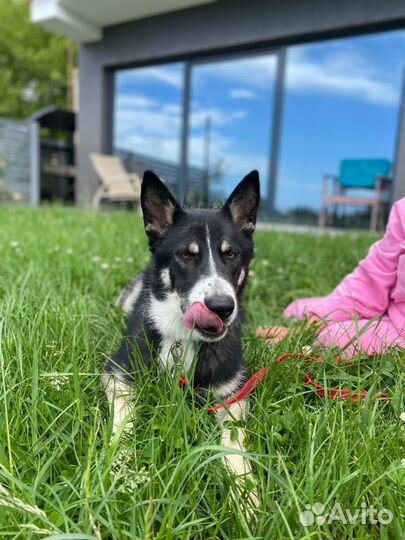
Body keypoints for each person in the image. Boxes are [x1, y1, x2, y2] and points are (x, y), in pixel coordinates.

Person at [260, 198, 405, 358]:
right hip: (396, 309)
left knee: (331, 340)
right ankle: (326, 316)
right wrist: (312, 324)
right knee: (296, 309)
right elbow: (374, 275)